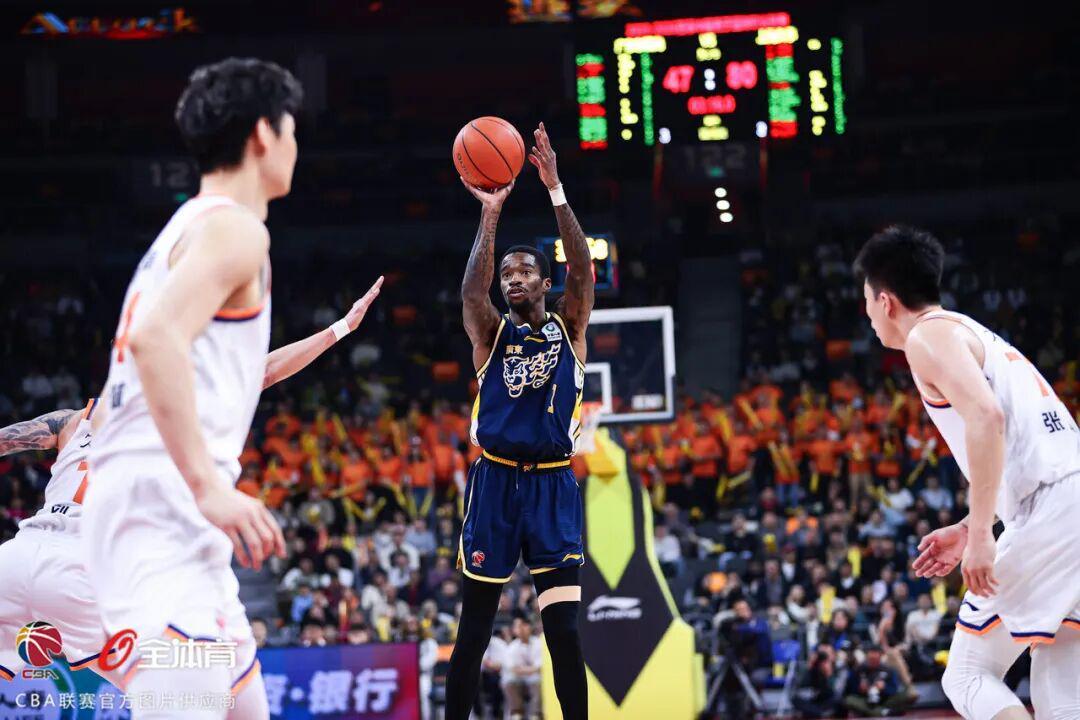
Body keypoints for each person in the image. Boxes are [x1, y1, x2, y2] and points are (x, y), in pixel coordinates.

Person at [79, 57, 318, 719]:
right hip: (164, 509)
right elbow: (153, 339)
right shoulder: (236, 229)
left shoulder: (186, 229)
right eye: (292, 129)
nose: (296, 146)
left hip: (154, 505)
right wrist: (208, 485)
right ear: (264, 133)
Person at [0, 284, 380, 688]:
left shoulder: (74, 419)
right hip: (82, 567)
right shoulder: (172, 413)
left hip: (14, 557)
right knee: (175, 692)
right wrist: (340, 328)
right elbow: (265, 371)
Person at [855, 225, 1080, 719]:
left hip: (1053, 512)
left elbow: (986, 417)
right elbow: (1026, 451)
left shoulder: (926, 337)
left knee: (967, 674)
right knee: (1062, 676)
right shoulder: (969, 332)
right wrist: (967, 525)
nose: (868, 316)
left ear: (885, 301)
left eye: (867, 302)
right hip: (1067, 502)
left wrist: (981, 536)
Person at [445, 122, 593, 720]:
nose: (513, 278)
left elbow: (582, 270)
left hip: (552, 485)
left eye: (524, 271)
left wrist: (555, 189)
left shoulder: (570, 326)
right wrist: (490, 215)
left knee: (564, 633)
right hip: (496, 482)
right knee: (474, 631)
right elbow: (470, 295)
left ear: (544, 282)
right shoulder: (491, 334)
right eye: (507, 273)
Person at [843, 645, 914, 717]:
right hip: (865, 701)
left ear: (880, 658)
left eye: (875, 659)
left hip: (885, 700)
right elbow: (849, 690)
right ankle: (883, 712)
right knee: (849, 700)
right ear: (867, 658)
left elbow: (894, 689)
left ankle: (878, 712)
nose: (872, 662)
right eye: (870, 659)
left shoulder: (888, 670)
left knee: (906, 695)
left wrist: (884, 688)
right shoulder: (858, 670)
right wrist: (860, 689)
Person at [502, 617, 543, 720]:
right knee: (507, 681)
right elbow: (513, 669)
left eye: (523, 625)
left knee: (537, 680)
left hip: (535, 677)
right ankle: (517, 713)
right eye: (517, 626)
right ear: (514, 630)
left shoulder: (538, 643)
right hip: (519, 677)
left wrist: (522, 670)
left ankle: (535, 714)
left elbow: (539, 667)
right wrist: (529, 670)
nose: (521, 629)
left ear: (529, 627)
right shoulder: (512, 647)